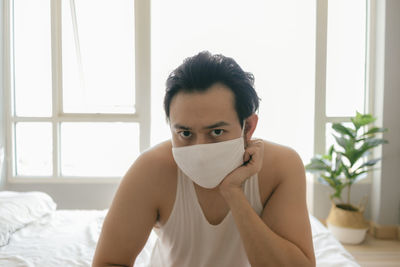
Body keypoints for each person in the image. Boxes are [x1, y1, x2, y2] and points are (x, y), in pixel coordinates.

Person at [92, 51, 316, 267]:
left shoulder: (281, 167)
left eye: (216, 132)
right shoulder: (151, 170)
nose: (199, 150)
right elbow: (109, 262)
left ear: (248, 127)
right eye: (185, 134)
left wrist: (233, 192)